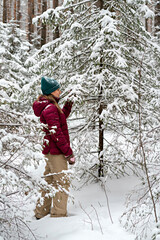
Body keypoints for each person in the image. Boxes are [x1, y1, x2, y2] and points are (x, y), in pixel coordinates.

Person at [32, 76, 75, 219]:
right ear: (51, 92)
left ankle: (41, 211)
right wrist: (68, 152)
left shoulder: (49, 106)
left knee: (49, 181)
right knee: (62, 182)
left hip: (50, 151)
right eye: (57, 89)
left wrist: (68, 104)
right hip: (56, 152)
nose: (60, 91)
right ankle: (59, 215)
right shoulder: (50, 107)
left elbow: (59, 118)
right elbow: (56, 133)